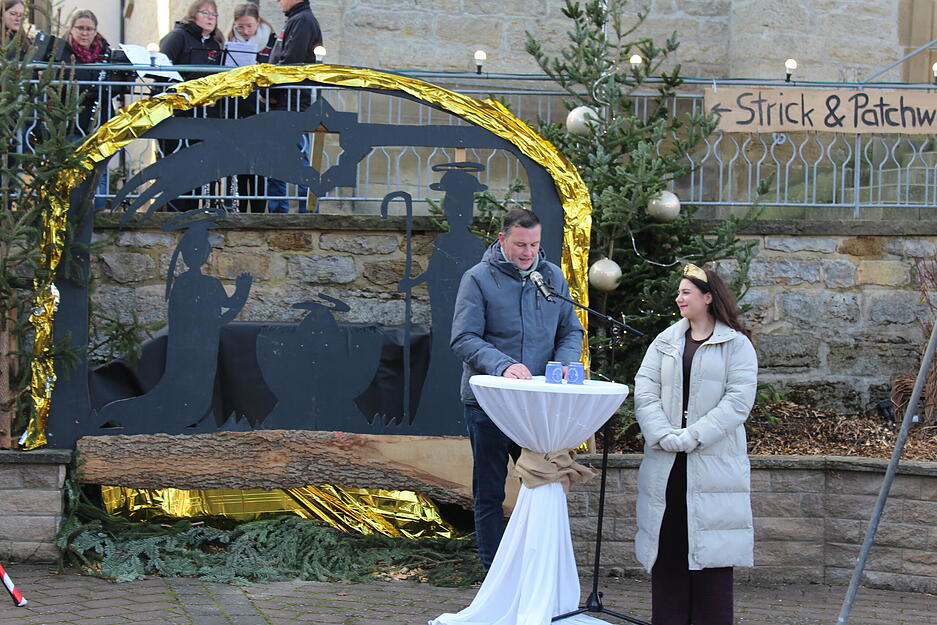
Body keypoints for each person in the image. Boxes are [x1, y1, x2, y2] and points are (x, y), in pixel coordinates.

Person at [450, 207, 584, 571]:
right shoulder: (477, 278)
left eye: (535, 245)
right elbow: (463, 338)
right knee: (490, 491)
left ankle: (537, 567)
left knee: (543, 483)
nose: (528, 253)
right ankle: (493, 570)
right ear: (502, 239)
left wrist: (566, 362)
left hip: (538, 404)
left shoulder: (551, 276)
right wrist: (503, 365)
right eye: (521, 244)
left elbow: (570, 330)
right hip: (489, 404)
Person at [633, 263, 758, 625]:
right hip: (666, 463)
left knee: (710, 554)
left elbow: (737, 403)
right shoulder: (665, 341)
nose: (679, 298)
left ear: (708, 297)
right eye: (679, 292)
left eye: (686, 292)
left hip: (712, 464)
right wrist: (663, 434)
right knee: (669, 548)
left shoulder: (737, 345)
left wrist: (691, 437)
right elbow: (645, 390)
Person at [158, 0, 225, 212]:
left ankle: (192, 213)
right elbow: (162, 71)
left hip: (206, 115)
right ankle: (174, 212)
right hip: (178, 114)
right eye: (206, 13)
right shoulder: (178, 37)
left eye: (214, 14)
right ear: (193, 14)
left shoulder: (216, 43)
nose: (211, 18)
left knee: (197, 168)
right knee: (178, 166)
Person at [265, 0, 323, 214]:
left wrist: (272, 93)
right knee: (280, 156)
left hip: (292, 101)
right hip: (287, 99)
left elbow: (290, 63)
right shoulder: (296, 19)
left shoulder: (302, 21)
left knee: (293, 157)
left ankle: (302, 210)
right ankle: (281, 210)